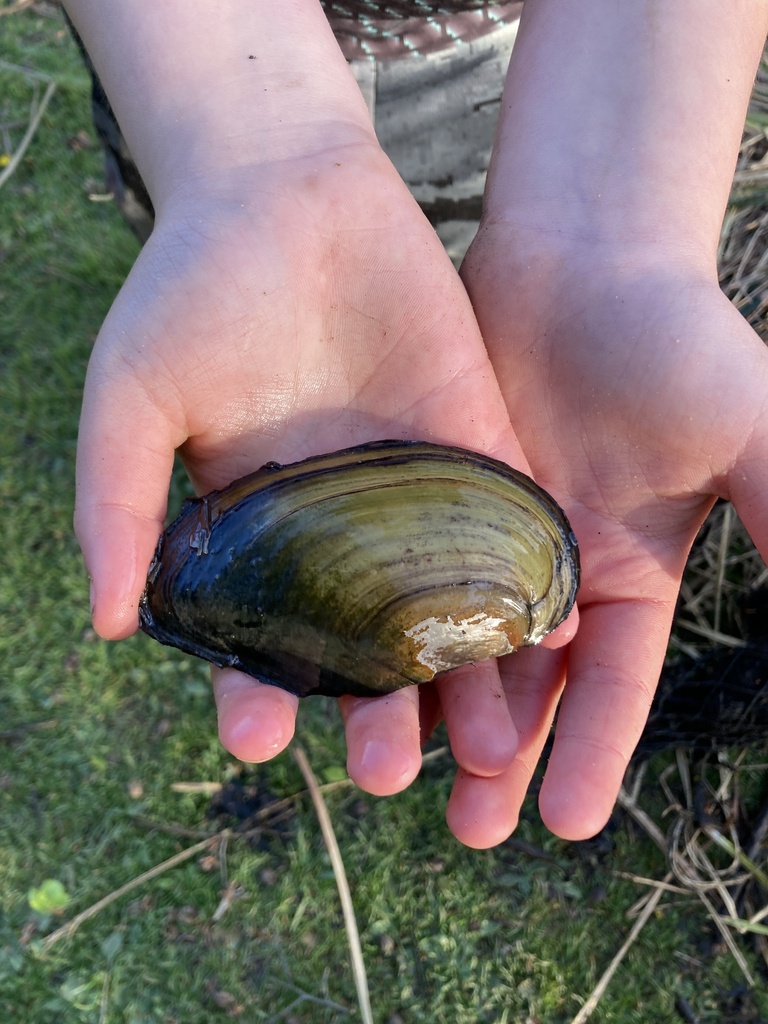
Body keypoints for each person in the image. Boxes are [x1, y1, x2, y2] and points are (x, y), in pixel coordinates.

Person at [63, 0, 768, 849]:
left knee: (458, 245)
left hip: (530, 80)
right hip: (183, 65)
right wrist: (249, 151)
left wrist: (619, 233)